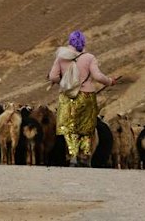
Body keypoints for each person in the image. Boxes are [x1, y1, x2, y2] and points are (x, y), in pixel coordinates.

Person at [48, 30, 116, 167]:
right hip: (86, 95)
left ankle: (72, 157)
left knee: (69, 128)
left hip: (67, 96)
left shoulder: (61, 57)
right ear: (83, 42)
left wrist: (65, 81)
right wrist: (109, 81)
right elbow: (97, 76)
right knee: (86, 127)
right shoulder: (89, 57)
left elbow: (52, 76)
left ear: (69, 42)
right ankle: (84, 156)